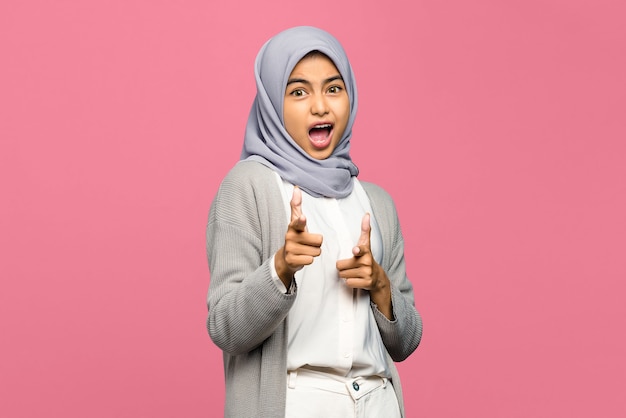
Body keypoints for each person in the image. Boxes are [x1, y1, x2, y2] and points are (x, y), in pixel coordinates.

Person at [206, 26, 422, 417]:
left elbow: (405, 342)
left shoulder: (377, 203)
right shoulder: (248, 187)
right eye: (299, 91)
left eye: (333, 89)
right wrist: (280, 269)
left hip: (378, 404)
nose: (321, 106)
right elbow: (226, 328)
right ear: (273, 102)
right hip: (297, 404)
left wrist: (380, 286)